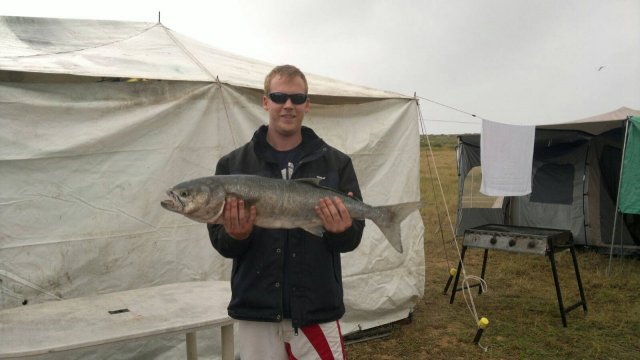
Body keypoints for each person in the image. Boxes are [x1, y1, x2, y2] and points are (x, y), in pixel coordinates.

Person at [208, 64, 364, 359]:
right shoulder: (231, 166)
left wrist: (340, 231)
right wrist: (236, 236)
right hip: (255, 310)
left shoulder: (336, 163)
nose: (287, 105)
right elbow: (222, 244)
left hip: (317, 309)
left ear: (307, 104)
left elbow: (352, 238)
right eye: (279, 97)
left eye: (296, 98)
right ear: (265, 101)